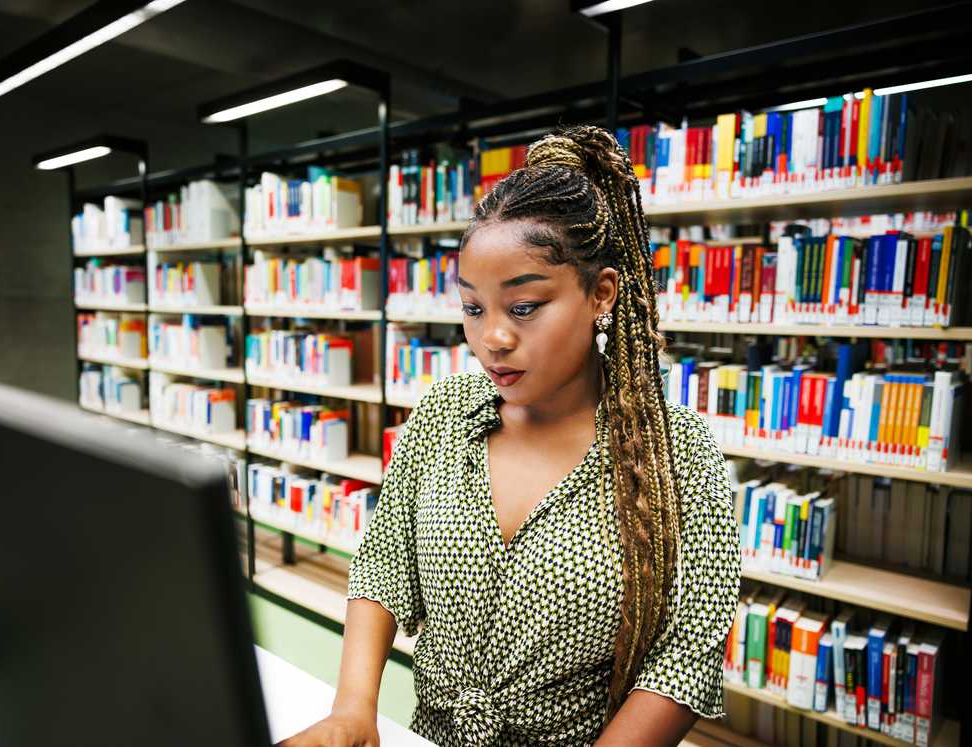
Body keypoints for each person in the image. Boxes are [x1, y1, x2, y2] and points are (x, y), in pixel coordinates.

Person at [283, 125, 741, 747]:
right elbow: (383, 567)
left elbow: (684, 655)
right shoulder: (444, 413)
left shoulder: (677, 452)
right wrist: (352, 708)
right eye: (474, 309)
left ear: (600, 294)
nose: (493, 337)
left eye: (523, 308)